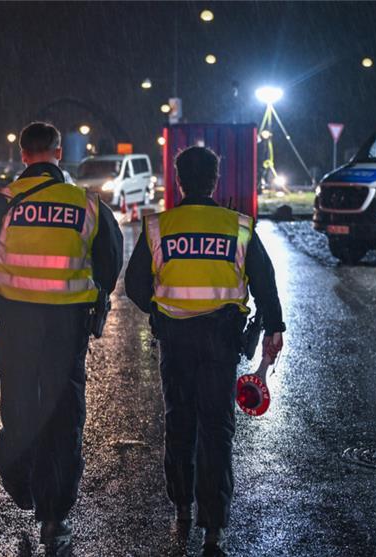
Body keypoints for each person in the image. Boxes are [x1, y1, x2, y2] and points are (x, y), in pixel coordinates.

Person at [0, 122, 123, 555]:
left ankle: (23, 482)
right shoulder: (86, 203)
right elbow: (111, 256)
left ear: (23, 154)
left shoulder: (2, 203)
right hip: (66, 329)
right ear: (56, 152)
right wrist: (95, 295)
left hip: (18, 326)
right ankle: (55, 516)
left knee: (18, 410)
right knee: (64, 415)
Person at [125, 146, 285, 556]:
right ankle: (212, 527)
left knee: (180, 421)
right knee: (216, 429)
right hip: (221, 339)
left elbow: (135, 286)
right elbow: (264, 281)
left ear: (179, 181)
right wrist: (274, 327)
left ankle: (181, 504)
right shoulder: (238, 225)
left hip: (175, 339)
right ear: (215, 180)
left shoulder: (159, 226)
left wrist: (160, 311)